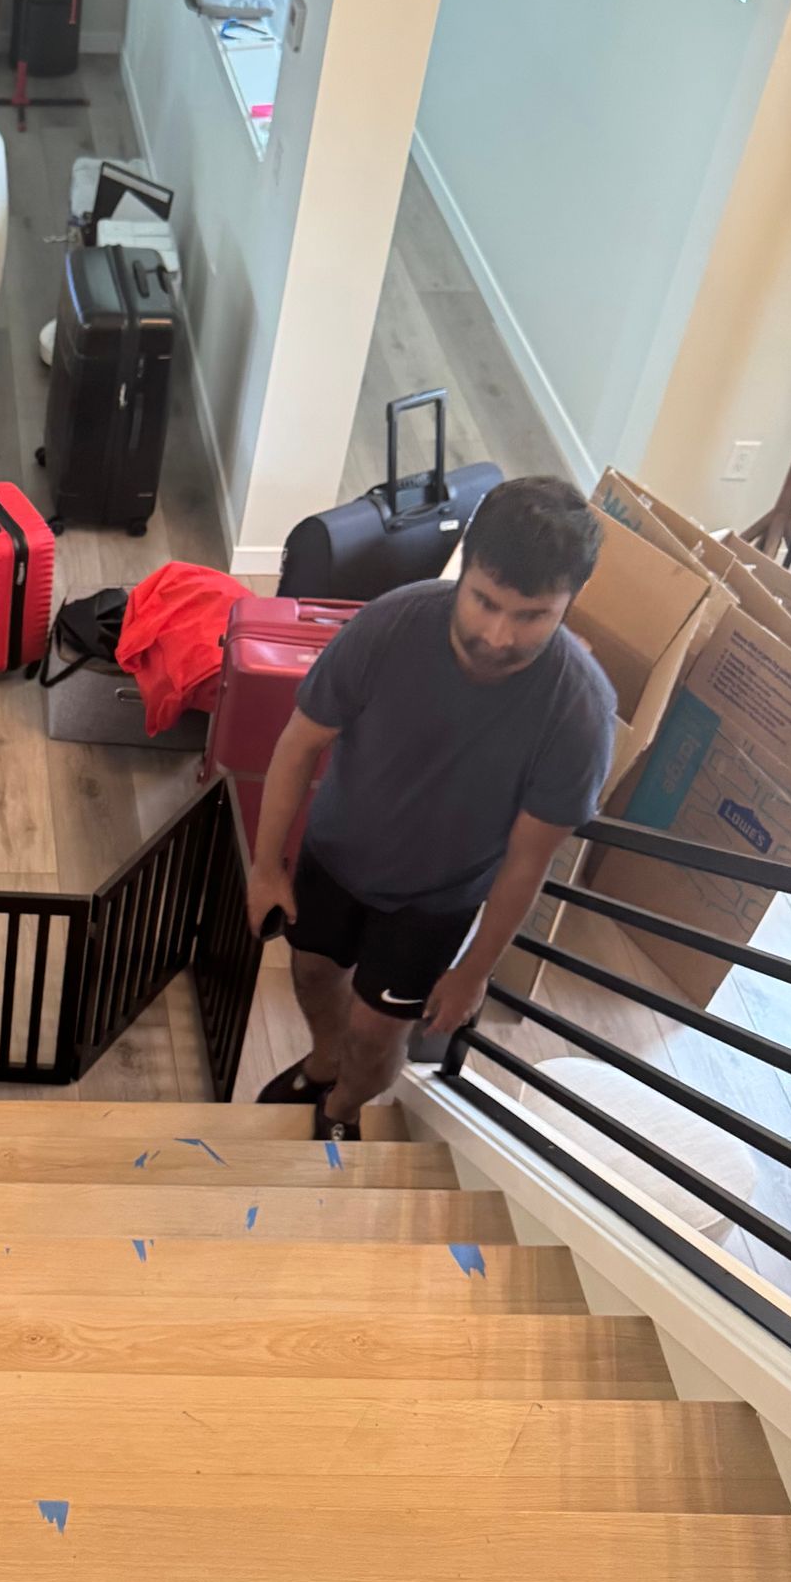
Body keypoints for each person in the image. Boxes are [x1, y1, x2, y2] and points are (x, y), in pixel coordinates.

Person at [247, 475, 617, 1144]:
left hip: (437, 900)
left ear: (572, 602)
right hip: (333, 856)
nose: (499, 636)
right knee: (311, 971)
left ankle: (342, 1110)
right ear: (465, 568)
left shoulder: (579, 713)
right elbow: (300, 742)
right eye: (484, 602)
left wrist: (474, 971)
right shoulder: (388, 626)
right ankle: (322, 1061)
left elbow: (529, 859)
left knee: (375, 1031)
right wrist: (266, 866)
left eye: (531, 615)